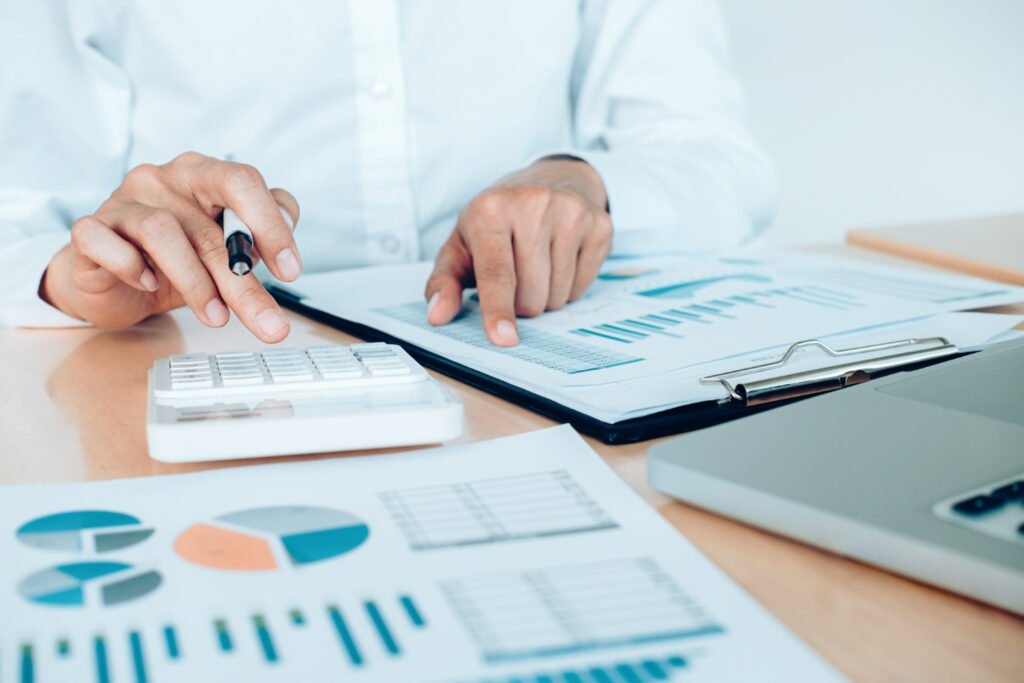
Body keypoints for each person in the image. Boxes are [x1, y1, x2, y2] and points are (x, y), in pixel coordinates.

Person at [0, 1, 774, 347]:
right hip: (197, 375)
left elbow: (718, 159)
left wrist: (582, 186)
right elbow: (18, 211)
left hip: (532, 375)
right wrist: (67, 276)